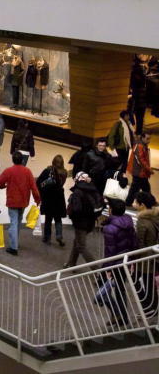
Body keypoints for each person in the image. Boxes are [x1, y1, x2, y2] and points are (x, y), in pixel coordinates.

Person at [100, 198, 138, 327]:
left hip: (115, 263)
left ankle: (119, 316)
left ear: (111, 210)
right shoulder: (129, 222)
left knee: (106, 291)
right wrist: (132, 261)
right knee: (120, 290)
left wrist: (107, 269)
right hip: (125, 261)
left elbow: (109, 251)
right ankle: (119, 316)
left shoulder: (110, 229)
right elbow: (134, 243)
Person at [0, 152, 41, 256]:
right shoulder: (28, 171)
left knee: (13, 222)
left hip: (12, 201)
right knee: (18, 222)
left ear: (13, 160)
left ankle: (13, 247)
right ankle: (15, 242)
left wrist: (5, 186)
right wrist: (37, 200)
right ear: (22, 160)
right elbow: (34, 188)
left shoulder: (8, 171)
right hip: (23, 201)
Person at [64, 172, 104, 268]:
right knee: (77, 242)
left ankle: (97, 270)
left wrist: (72, 215)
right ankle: (71, 263)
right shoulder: (94, 190)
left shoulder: (78, 192)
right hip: (90, 222)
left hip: (80, 223)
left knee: (82, 247)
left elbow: (77, 209)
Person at [37, 155, 68, 246]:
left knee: (48, 219)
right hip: (59, 197)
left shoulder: (47, 171)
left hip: (49, 197)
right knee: (58, 219)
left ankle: (47, 238)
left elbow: (39, 182)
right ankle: (59, 236)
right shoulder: (64, 172)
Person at [127, 133, 153, 205]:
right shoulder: (139, 146)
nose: (149, 141)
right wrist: (149, 169)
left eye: (149, 139)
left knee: (145, 187)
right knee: (135, 189)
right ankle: (128, 203)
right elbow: (141, 160)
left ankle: (149, 202)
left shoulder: (143, 145)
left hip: (141, 171)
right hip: (138, 172)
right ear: (142, 138)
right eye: (147, 139)